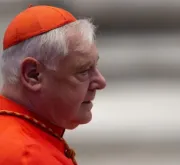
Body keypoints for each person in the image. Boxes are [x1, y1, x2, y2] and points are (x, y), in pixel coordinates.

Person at [0, 5, 106, 165]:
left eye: (94, 67)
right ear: (32, 75)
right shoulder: (27, 157)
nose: (101, 82)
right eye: (83, 71)